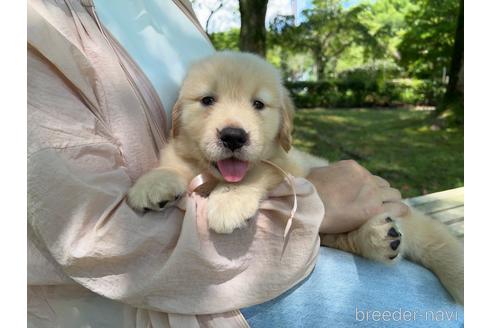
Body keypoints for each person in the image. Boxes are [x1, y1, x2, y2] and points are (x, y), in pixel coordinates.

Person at [27, 0, 463, 327]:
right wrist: (170, 177)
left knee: (431, 252)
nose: (234, 125)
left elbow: (291, 169)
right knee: (439, 316)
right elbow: (92, 231)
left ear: (283, 124)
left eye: (259, 105)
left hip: (311, 229)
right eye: (209, 101)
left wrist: (255, 188)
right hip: (181, 296)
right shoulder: (33, 27)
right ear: (177, 115)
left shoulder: (173, 7)